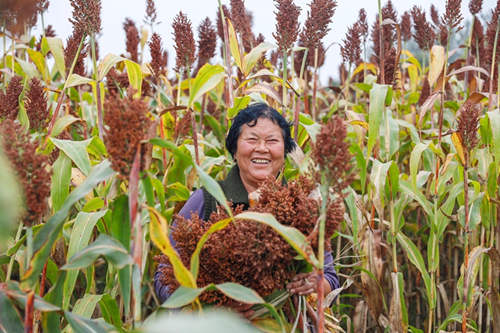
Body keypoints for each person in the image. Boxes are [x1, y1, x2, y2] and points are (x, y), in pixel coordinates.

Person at [154, 103, 339, 304]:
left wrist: (315, 283)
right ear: (234, 151)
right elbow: (164, 277)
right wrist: (212, 307)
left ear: (285, 152)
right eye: (252, 139)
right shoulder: (207, 200)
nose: (262, 148)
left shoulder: (303, 206)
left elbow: (330, 277)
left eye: (272, 141)